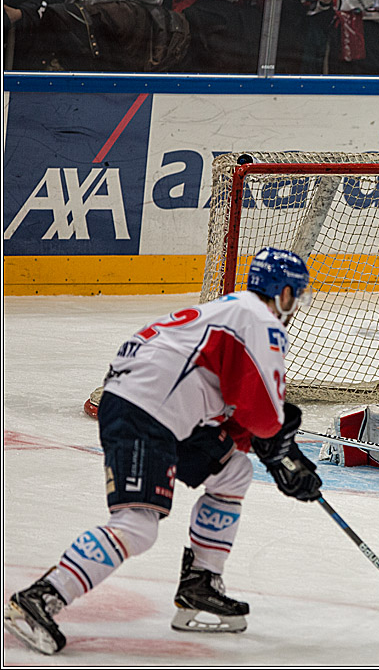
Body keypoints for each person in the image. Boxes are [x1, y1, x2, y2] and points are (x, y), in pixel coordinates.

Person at [3, 248, 323, 655]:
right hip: (146, 410)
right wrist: (282, 454)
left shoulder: (233, 310)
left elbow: (239, 411)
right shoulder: (261, 321)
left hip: (161, 407)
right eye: (296, 294)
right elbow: (262, 416)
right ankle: (41, 598)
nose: (296, 305)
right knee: (137, 524)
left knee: (233, 471)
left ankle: (200, 586)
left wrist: (274, 448)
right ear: (283, 293)